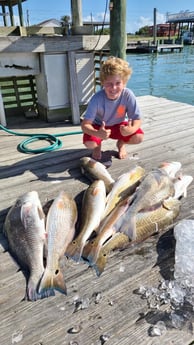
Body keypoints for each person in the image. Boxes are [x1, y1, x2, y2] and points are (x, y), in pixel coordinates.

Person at [81, 56, 144, 160]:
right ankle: (97, 146)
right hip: (99, 126)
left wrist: (130, 129)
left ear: (124, 83)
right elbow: (85, 125)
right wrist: (97, 133)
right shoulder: (96, 99)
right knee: (89, 143)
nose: (114, 88)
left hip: (119, 126)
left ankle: (121, 143)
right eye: (109, 84)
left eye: (118, 83)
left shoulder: (128, 95)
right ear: (102, 83)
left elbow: (137, 119)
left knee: (139, 137)